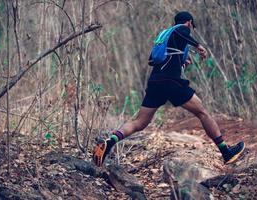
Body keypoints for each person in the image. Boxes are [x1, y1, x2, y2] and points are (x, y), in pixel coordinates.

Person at [93, 11, 245, 167]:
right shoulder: (181, 28)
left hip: (155, 82)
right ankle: (226, 152)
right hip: (171, 82)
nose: (190, 29)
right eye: (191, 26)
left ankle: (110, 141)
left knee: (139, 122)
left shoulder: (166, 36)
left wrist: (182, 61)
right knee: (203, 113)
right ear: (189, 23)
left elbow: (159, 59)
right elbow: (182, 32)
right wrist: (198, 46)